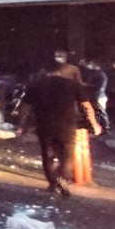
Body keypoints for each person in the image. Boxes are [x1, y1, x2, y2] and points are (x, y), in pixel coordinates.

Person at [17, 57, 102, 197]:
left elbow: (26, 106)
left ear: (44, 70)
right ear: (61, 70)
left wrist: (21, 125)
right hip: (67, 126)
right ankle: (63, 182)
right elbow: (86, 106)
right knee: (66, 156)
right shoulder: (72, 84)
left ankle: (52, 184)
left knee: (48, 154)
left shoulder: (36, 84)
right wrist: (93, 124)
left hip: (44, 125)